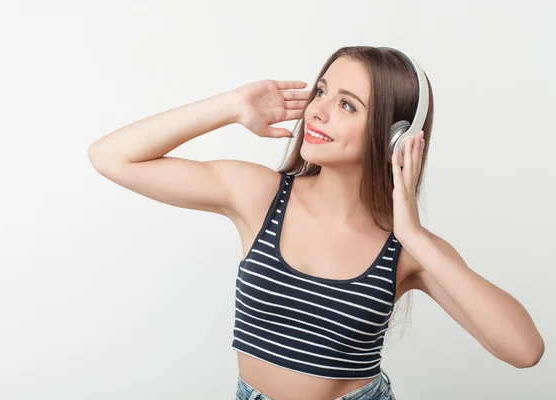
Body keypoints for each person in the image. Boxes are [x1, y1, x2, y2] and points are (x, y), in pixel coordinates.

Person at [87, 46, 545, 400]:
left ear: (394, 133)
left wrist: (414, 237)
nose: (317, 111)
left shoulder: (408, 249)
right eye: (322, 92)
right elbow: (111, 157)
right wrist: (230, 106)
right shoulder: (260, 195)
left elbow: (525, 351)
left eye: (347, 105)